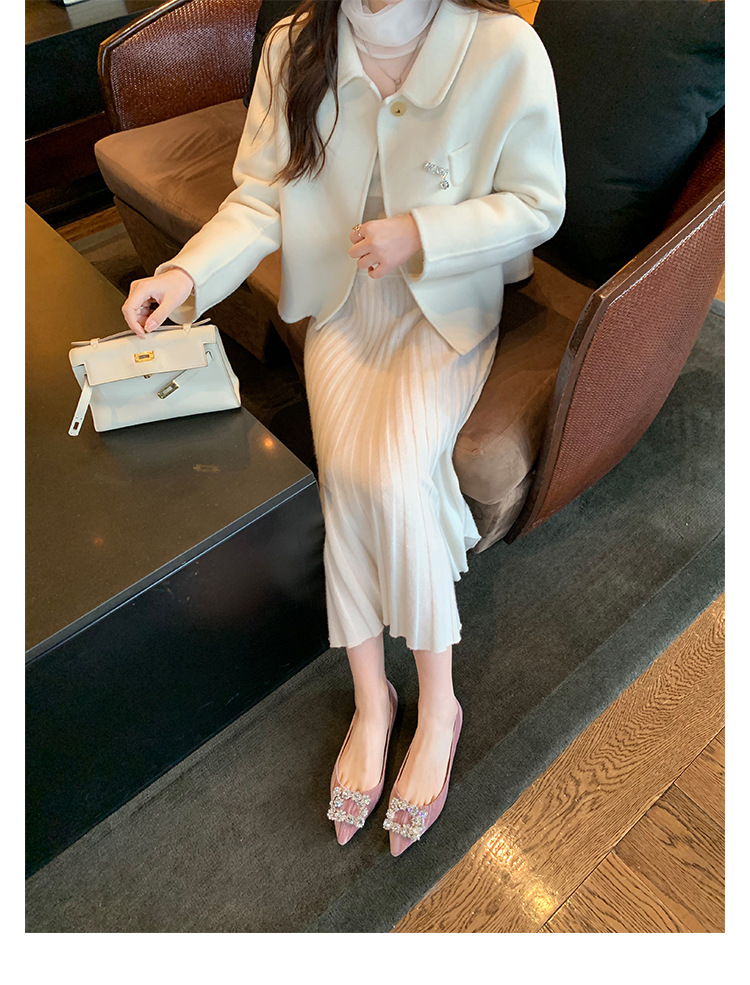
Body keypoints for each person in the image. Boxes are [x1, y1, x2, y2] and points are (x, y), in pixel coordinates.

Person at [121, 0, 566, 855]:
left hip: (442, 308)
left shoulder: (505, 48)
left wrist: (422, 233)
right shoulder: (296, 44)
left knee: (390, 475)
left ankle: (439, 704)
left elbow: (538, 205)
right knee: (346, 478)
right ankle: (372, 698)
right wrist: (185, 275)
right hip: (341, 309)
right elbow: (261, 195)